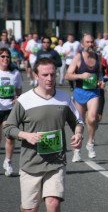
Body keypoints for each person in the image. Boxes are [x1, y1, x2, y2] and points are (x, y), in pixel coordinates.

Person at [3, 58, 84, 212]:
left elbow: (78, 122)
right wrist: (25, 135)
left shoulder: (64, 99)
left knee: (53, 203)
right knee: (30, 209)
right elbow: (8, 127)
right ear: (35, 76)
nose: (50, 79)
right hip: (31, 163)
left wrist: (78, 134)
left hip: (56, 161)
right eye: (45, 75)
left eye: (52, 75)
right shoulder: (25, 100)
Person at [65, 34, 101, 162]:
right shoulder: (78, 57)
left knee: (92, 118)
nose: (90, 44)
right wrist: (81, 76)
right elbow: (67, 76)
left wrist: (101, 81)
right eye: (87, 42)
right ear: (82, 44)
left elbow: (100, 73)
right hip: (80, 91)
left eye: (92, 42)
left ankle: (90, 143)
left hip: (93, 92)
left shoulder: (97, 57)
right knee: (79, 122)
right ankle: (77, 150)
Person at [0, 48, 22, 176]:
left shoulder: (15, 73)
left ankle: (8, 161)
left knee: (9, 135)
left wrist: (18, 98)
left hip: (9, 107)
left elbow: (19, 90)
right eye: (2, 56)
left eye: (7, 57)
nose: (5, 59)